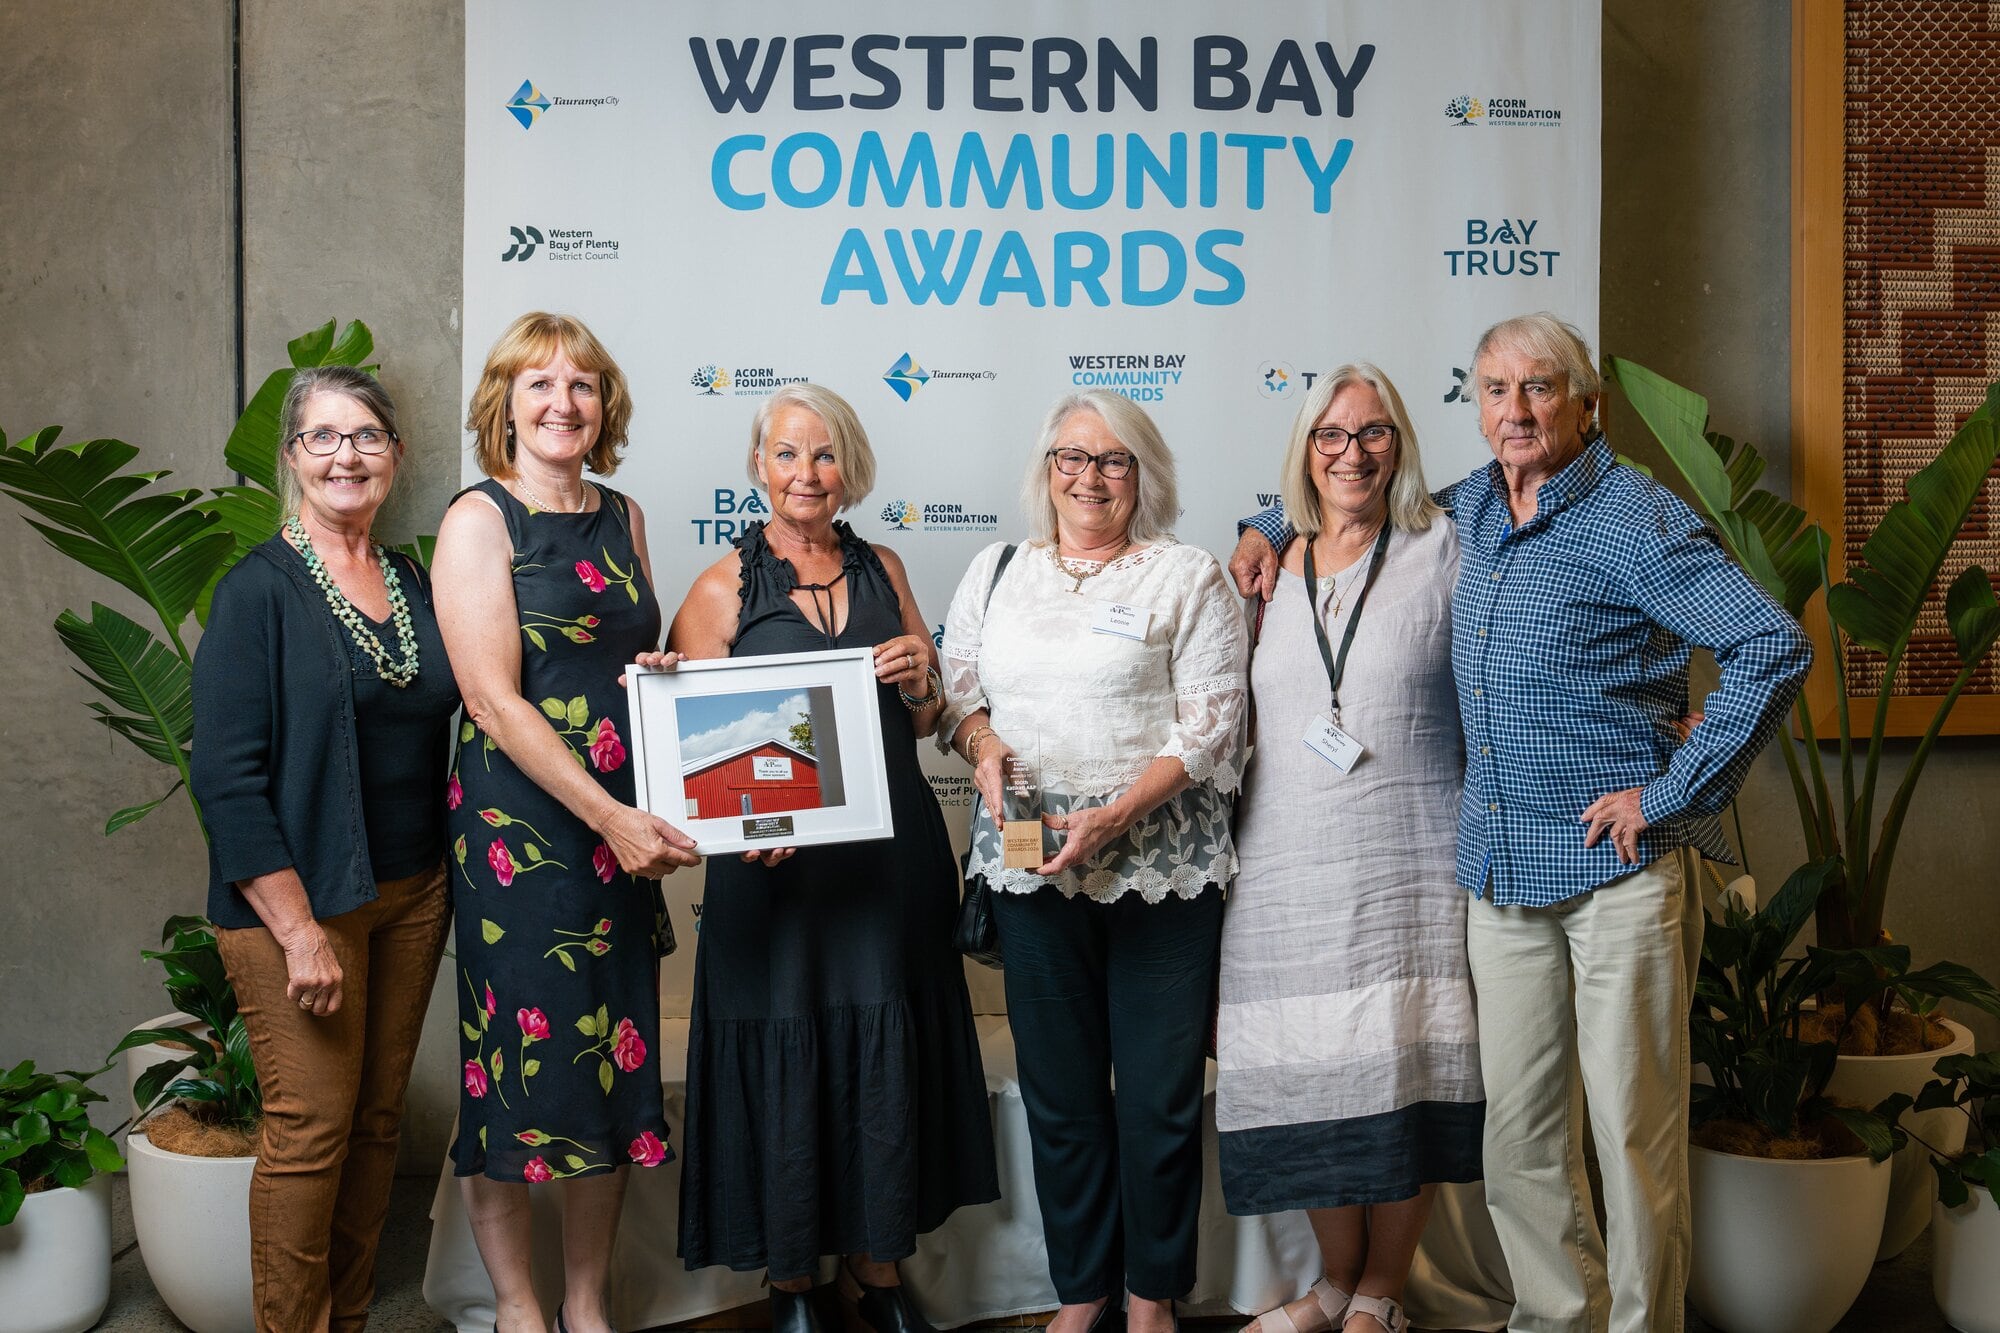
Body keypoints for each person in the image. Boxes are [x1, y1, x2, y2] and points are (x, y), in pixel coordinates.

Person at [1229, 314, 1811, 1333]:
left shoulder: (1635, 518)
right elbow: (1348, 495)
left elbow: (1769, 643)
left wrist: (1669, 793)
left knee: (1630, 1137)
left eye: (1537, 389)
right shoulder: (1470, 512)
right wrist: (1267, 528)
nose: (1514, 411)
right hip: (1499, 878)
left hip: (1614, 874)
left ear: (1584, 403)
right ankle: (1553, 1320)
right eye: (1494, 391)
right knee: (1522, 1140)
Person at [665, 383, 999, 1333]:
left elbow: (931, 721)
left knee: (881, 1051)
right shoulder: (721, 587)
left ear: (849, 468)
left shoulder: (887, 565)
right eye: (785, 454)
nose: (805, 473)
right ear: (757, 466)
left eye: (823, 455)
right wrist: (750, 834)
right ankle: (794, 1286)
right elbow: (695, 755)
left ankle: (880, 1273)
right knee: (789, 1050)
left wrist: (921, 674)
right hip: (776, 878)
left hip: (888, 862)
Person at [939, 390, 1249, 1333]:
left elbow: (1213, 720)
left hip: (1161, 873)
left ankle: (1151, 1299)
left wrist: (1117, 813)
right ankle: (1082, 1296)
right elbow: (959, 692)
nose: (1091, 476)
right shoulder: (996, 571)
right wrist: (984, 748)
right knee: (1061, 1098)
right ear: (1046, 472)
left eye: (1114, 460)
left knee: (1158, 1101)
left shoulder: (1188, 576)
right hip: (1032, 872)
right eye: (1072, 457)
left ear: (1144, 473)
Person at [433, 312, 697, 1333]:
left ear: (604, 405)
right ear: (504, 403)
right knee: (514, 1069)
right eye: (538, 385)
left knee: (610, 1055)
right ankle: (518, 1309)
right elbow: (494, 700)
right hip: (521, 833)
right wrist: (609, 819)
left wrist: (658, 673)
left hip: (620, 826)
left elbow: (622, 651)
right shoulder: (478, 520)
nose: (561, 403)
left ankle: (586, 1304)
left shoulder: (623, 515)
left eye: (581, 385)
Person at [192, 365, 458, 1332]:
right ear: (294, 456)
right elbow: (224, 779)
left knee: (377, 1124)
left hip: (413, 892)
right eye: (324, 436)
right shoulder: (257, 592)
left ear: (394, 455)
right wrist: (299, 929)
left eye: (368, 436)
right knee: (310, 1132)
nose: (348, 454)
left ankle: (346, 1316)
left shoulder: (412, 580)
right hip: (299, 904)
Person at [1218, 365, 1482, 1333]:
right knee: (1309, 1075)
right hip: (1281, 868)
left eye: (1372, 433)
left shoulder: (1445, 544)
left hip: (1410, 858)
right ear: (1302, 452)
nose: (1351, 453)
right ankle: (1331, 1283)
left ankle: (1381, 1291)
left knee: (1400, 1073)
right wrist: (1265, 522)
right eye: (1328, 436)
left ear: (1400, 444)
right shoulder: (1260, 568)